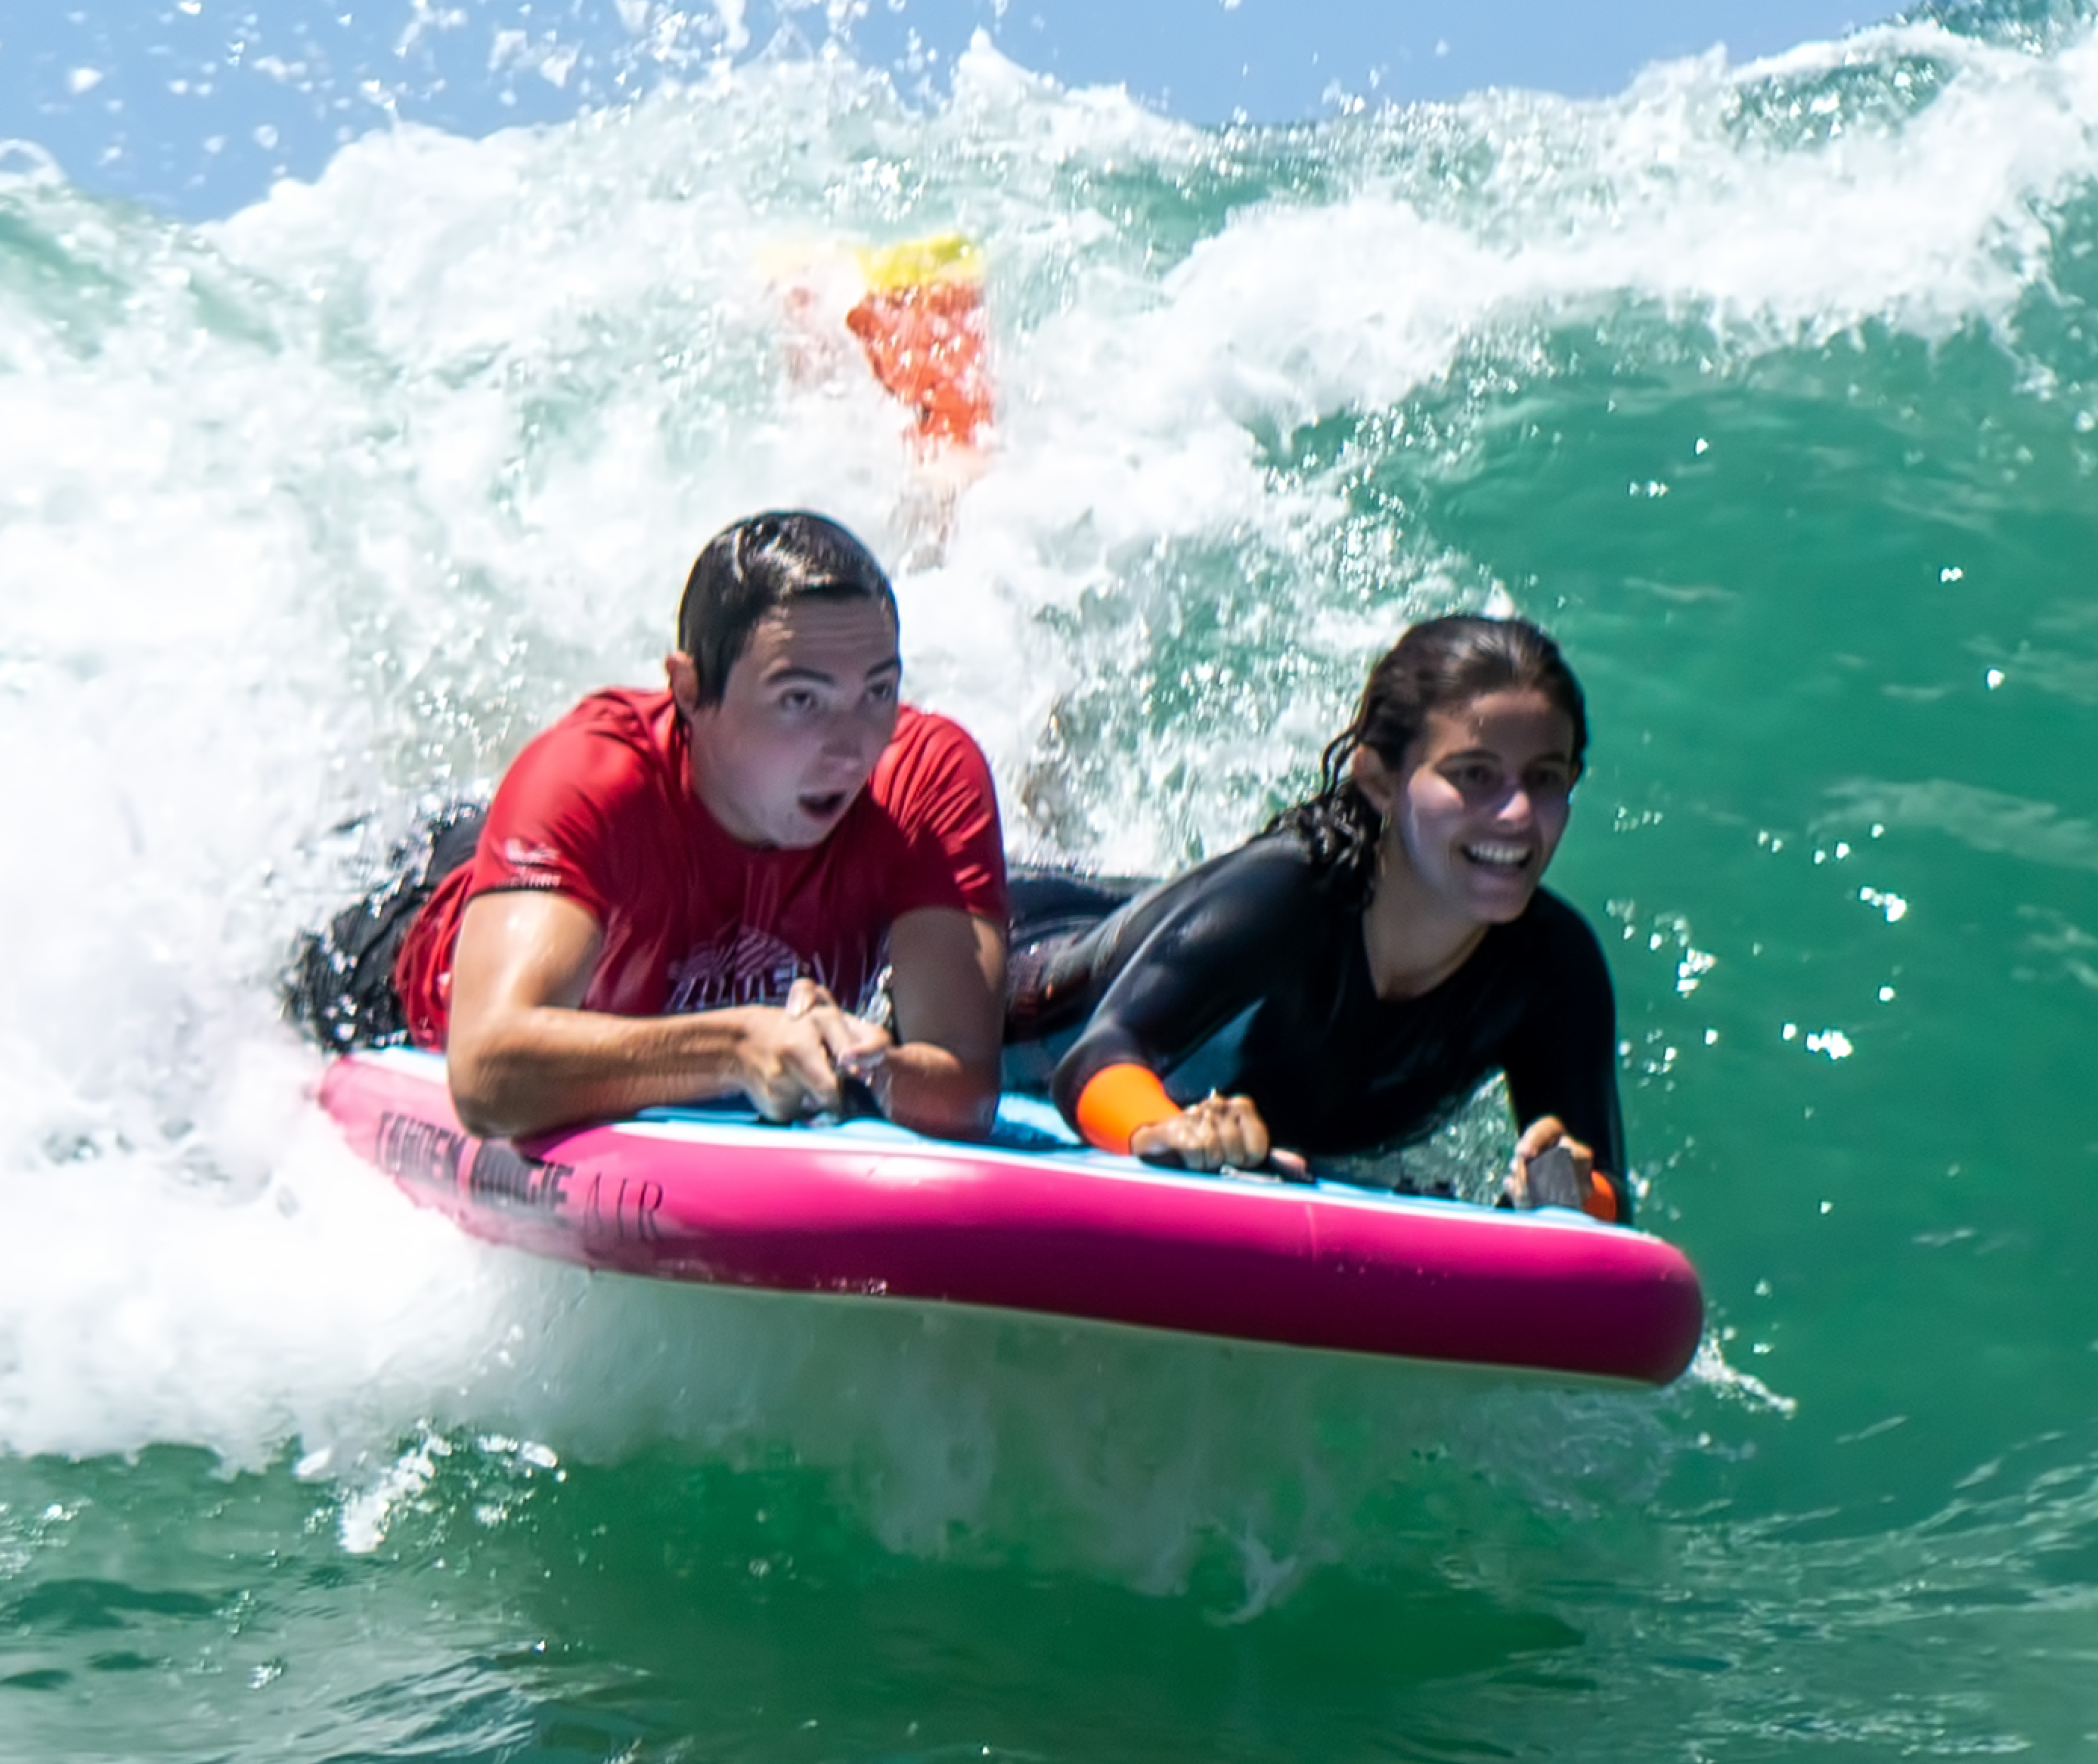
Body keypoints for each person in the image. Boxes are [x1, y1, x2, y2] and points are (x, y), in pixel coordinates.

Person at [294, 510, 1008, 1143]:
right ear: (689, 690)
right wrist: (733, 1045)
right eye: (800, 700)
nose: (854, 747)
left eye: (879, 691)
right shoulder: (590, 774)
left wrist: (872, 1068)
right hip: (396, 948)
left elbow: (965, 1084)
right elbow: (485, 1074)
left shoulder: (925, 780)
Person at [1004, 615, 1630, 1222]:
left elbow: (1607, 1192)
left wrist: (1573, 1189)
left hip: (1137, 930)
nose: (1518, 813)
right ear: (1380, 779)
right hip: (1015, 979)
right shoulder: (1289, 896)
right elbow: (1092, 1060)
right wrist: (1167, 1129)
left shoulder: (1551, 967)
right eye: (1475, 775)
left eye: (1545, 779)